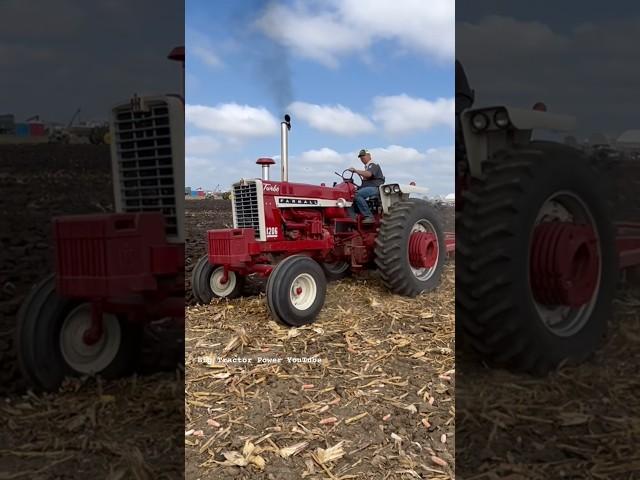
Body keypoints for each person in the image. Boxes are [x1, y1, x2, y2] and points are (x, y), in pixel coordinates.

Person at [348, 149, 385, 223]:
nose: (362, 158)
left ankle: (369, 216)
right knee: (349, 195)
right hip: (368, 187)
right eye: (361, 157)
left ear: (369, 156)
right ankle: (353, 217)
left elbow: (369, 174)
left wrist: (356, 171)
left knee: (357, 195)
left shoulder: (372, 164)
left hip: (375, 188)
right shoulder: (367, 166)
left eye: (363, 156)